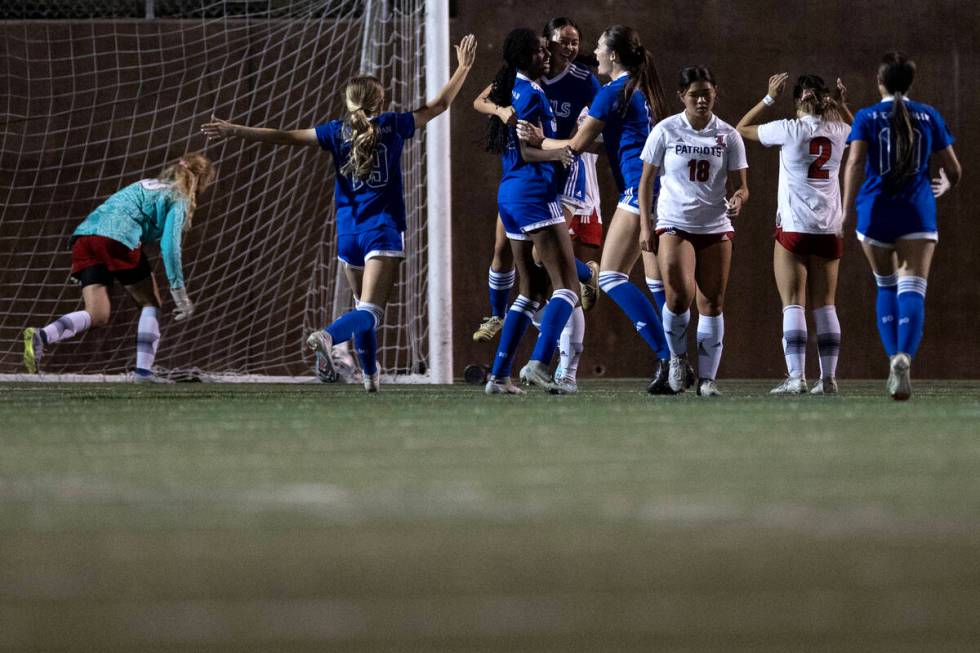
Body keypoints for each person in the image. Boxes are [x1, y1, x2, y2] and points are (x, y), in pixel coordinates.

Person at [201, 35, 478, 393]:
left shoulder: (336, 131)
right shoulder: (393, 125)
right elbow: (439, 105)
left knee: (362, 308)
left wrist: (235, 130)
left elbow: (284, 136)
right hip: (382, 230)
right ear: (381, 100)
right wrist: (464, 68)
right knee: (371, 312)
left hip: (348, 233)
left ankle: (370, 377)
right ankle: (329, 337)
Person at [517, 24, 674, 393]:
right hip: (660, 190)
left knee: (611, 277)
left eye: (601, 48)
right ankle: (675, 360)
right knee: (655, 283)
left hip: (639, 192)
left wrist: (540, 139)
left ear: (614, 55)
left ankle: (669, 356)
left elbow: (573, 145)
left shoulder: (611, 91)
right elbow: (604, 143)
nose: (596, 54)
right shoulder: (640, 88)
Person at [471, 15, 601, 362]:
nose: (568, 49)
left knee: (544, 273)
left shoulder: (580, 80)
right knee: (531, 270)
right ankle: (519, 335)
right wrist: (502, 113)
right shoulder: (525, 83)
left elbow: (599, 129)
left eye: (575, 42)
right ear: (543, 46)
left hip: (558, 175)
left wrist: (569, 147)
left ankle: (541, 362)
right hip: (535, 178)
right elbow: (482, 103)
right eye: (560, 43)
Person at [22, 153, 216, 382]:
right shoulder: (178, 197)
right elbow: (170, 245)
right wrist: (179, 293)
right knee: (150, 302)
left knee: (98, 314)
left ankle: (41, 336)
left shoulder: (145, 183)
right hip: (118, 239)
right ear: (201, 181)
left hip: (86, 237)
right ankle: (143, 373)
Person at [841, 51, 961, 400]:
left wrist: (846, 210)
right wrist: (945, 185)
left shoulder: (866, 116)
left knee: (885, 286)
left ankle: (892, 356)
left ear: (879, 82)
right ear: (910, 83)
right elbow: (954, 170)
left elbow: (855, 162)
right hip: (917, 211)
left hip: (876, 210)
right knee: (913, 287)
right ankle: (904, 357)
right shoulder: (929, 115)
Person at [736, 73, 853, 395]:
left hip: (795, 227)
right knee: (826, 304)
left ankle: (796, 376)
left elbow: (741, 129)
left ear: (797, 99)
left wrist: (769, 97)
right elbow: (859, 133)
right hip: (830, 228)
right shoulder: (839, 130)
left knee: (793, 303)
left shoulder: (788, 129)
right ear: (824, 99)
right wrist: (842, 107)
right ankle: (827, 379)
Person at [638, 65, 749, 397]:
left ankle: (707, 379)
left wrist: (739, 199)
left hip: (714, 224)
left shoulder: (728, 135)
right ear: (681, 96)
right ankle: (675, 358)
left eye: (707, 93)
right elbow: (645, 181)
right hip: (674, 222)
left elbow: (743, 186)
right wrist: (646, 225)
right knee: (679, 296)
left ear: (716, 92)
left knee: (712, 302)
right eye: (694, 94)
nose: (701, 100)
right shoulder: (666, 130)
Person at [481, 27, 579, 395]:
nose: (548, 55)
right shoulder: (532, 95)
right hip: (533, 192)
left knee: (531, 291)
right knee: (567, 286)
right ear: (524, 57)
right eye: (540, 51)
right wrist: (561, 152)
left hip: (510, 194)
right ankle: (539, 363)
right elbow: (527, 151)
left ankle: (498, 376)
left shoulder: (514, 89)